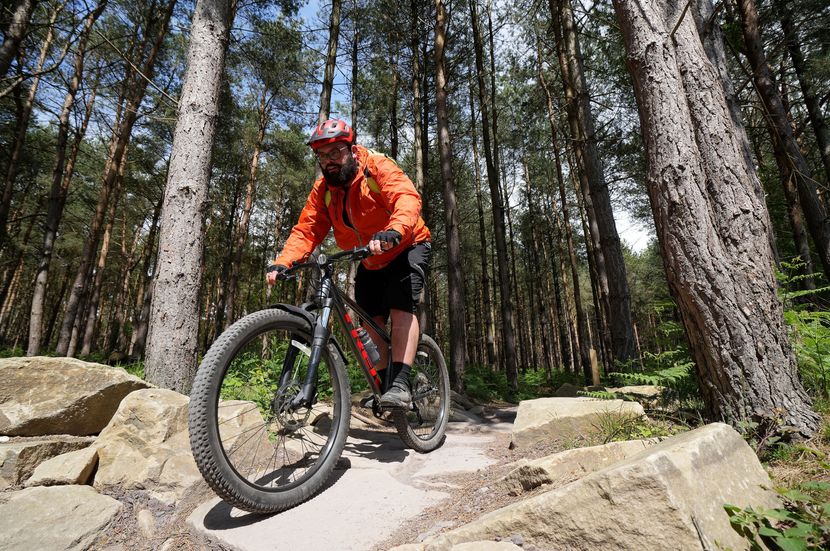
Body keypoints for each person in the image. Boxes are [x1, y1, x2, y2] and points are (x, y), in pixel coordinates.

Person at [266, 118, 431, 409]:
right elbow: (307, 229)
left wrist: (394, 230)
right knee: (370, 321)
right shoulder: (324, 190)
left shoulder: (376, 167)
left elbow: (406, 198)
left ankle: (402, 383)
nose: (328, 161)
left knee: (400, 305)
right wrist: (284, 261)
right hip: (370, 256)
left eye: (335, 153)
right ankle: (383, 385)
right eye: (322, 156)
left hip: (407, 243)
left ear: (351, 150)